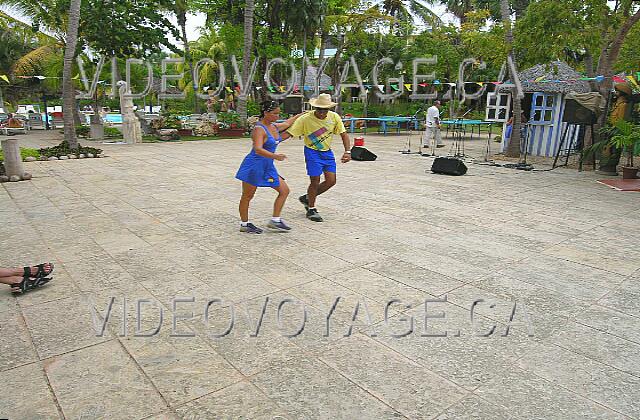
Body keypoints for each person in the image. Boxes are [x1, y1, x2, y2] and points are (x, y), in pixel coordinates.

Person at [235, 101, 304, 233]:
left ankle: (275, 220)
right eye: (275, 113)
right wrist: (275, 156)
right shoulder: (259, 129)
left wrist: (301, 115)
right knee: (248, 196)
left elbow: (288, 123)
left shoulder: (274, 126)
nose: (277, 116)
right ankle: (244, 224)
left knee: (284, 190)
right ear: (266, 113)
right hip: (254, 166)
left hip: (267, 166)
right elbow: (258, 149)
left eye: (279, 113)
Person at [286, 93, 351, 222]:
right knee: (315, 180)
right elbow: (289, 133)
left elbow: (344, 134)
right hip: (312, 151)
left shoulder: (334, 117)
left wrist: (347, 151)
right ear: (315, 108)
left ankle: (307, 198)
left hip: (327, 152)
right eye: (319, 109)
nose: (322, 112)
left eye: (325, 109)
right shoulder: (305, 118)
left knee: (331, 181)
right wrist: (273, 141)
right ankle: (311, 208)